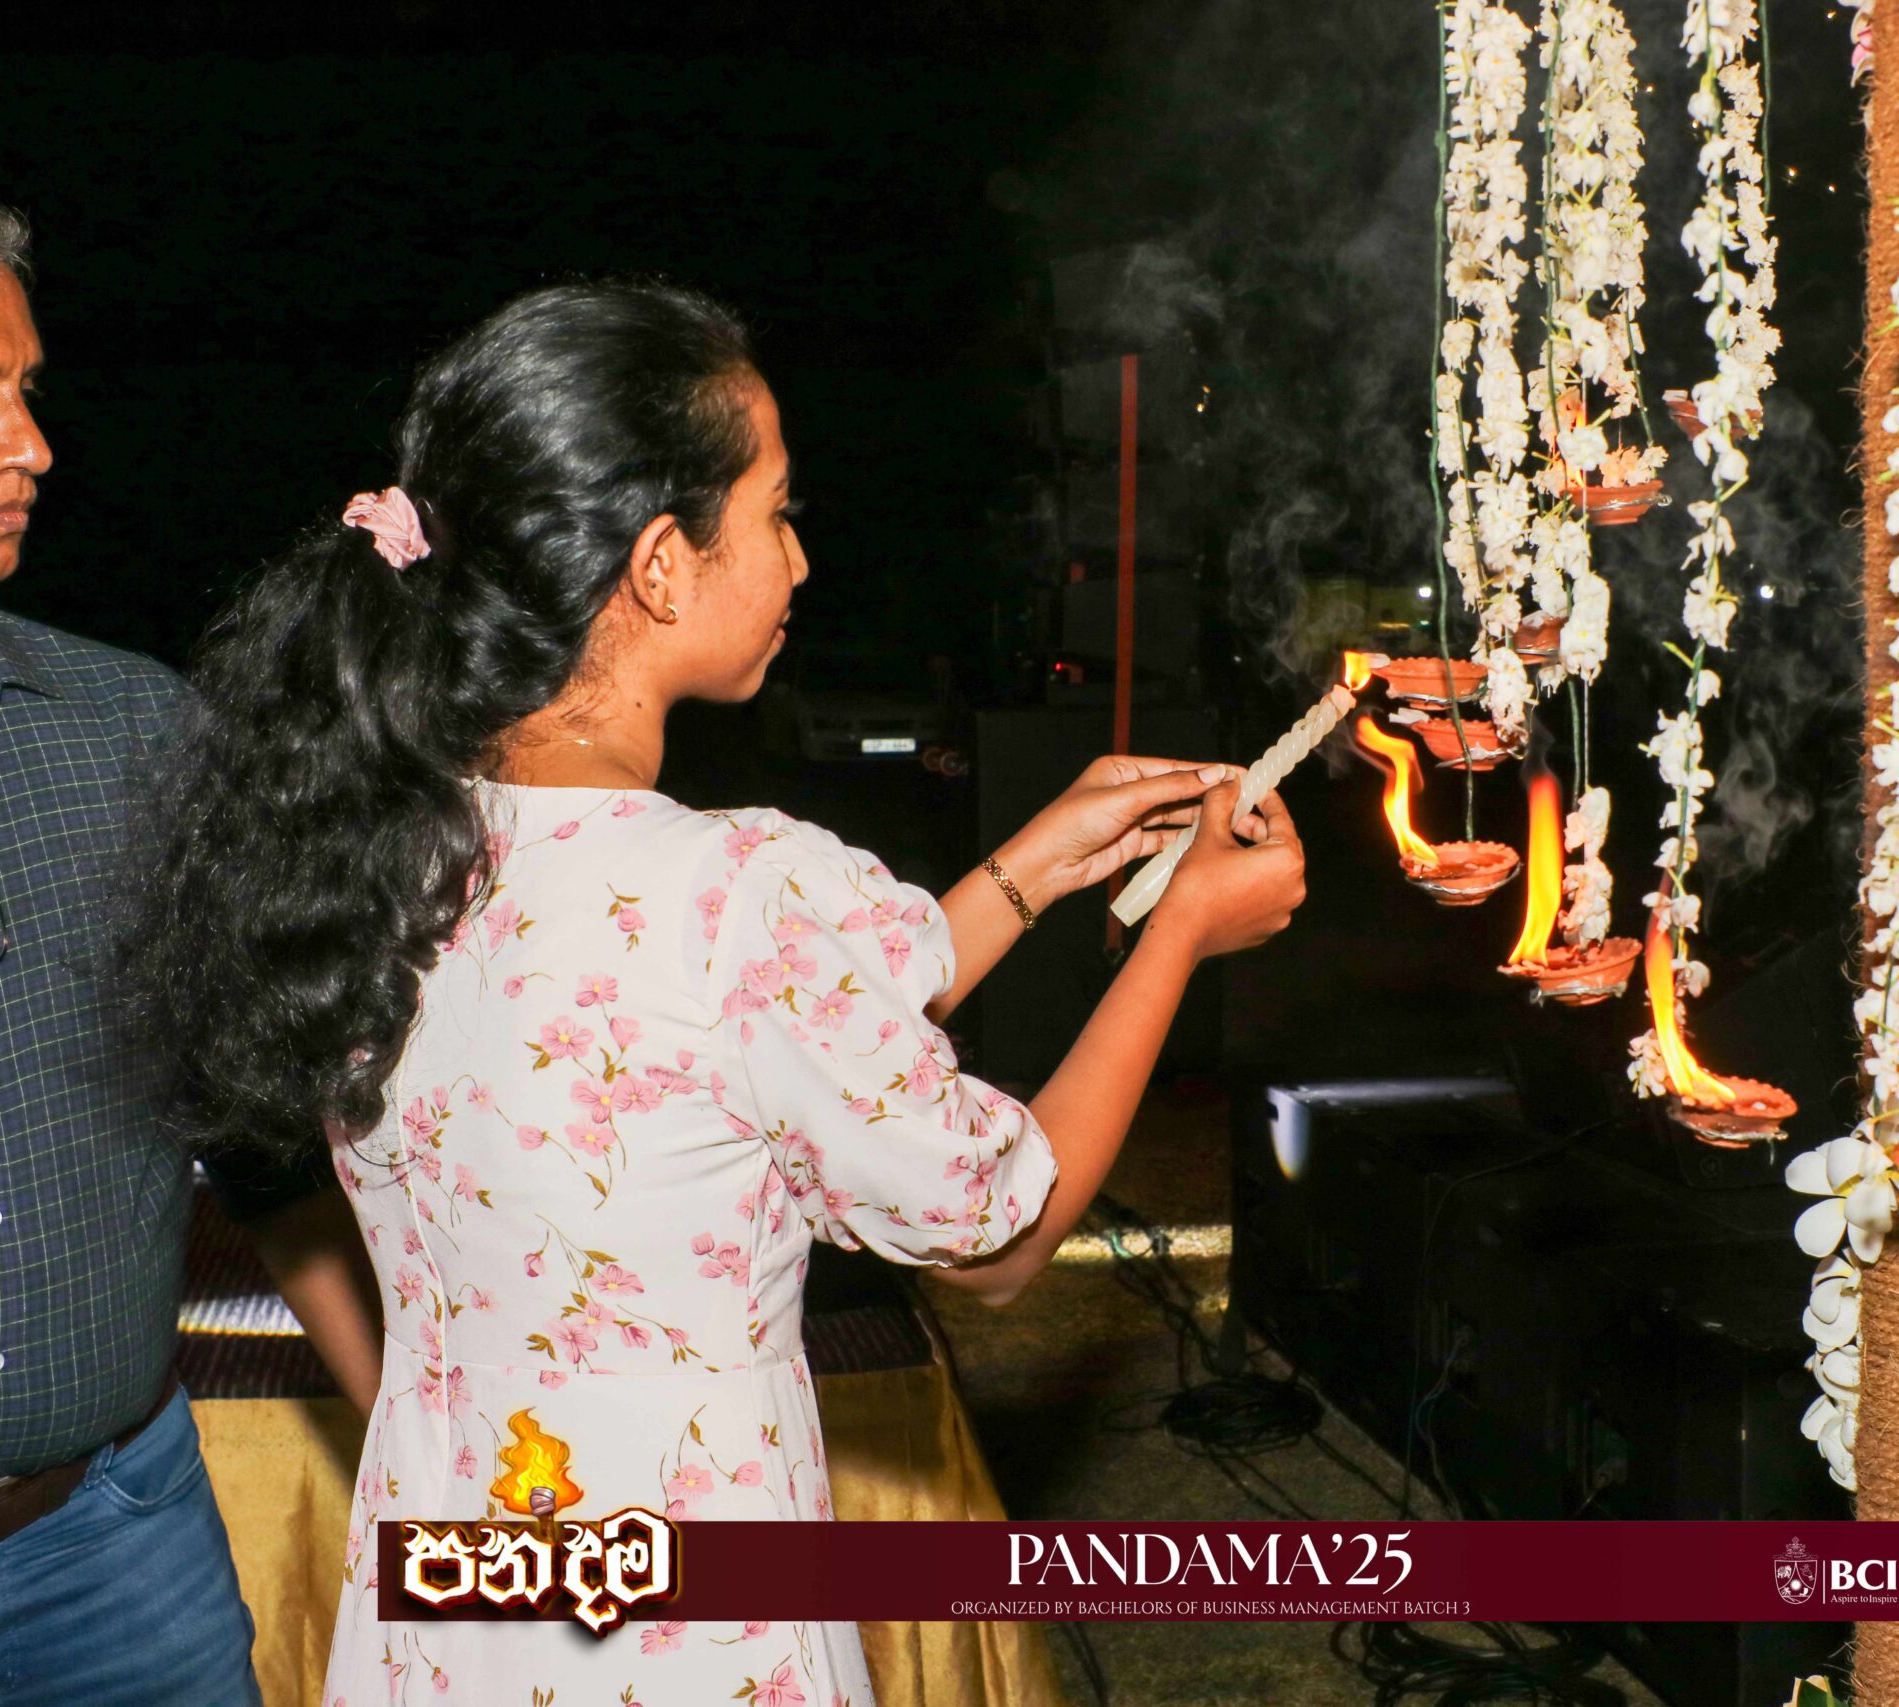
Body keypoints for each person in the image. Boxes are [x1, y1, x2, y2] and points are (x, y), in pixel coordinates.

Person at [128, 279, 1304, 1703]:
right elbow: (995, 1232)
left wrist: (1033, 866)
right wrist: (1179, 935)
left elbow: (754, 1029)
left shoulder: (373, 851)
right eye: (776, 512)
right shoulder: (742, 892)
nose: (800, 559)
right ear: (662, 564)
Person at [0, 189, 384, 1705]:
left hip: (114, 1560)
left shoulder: (131, 732)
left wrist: (415, 1443)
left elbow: (261, 1138)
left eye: (25, 390)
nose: (31, 444)